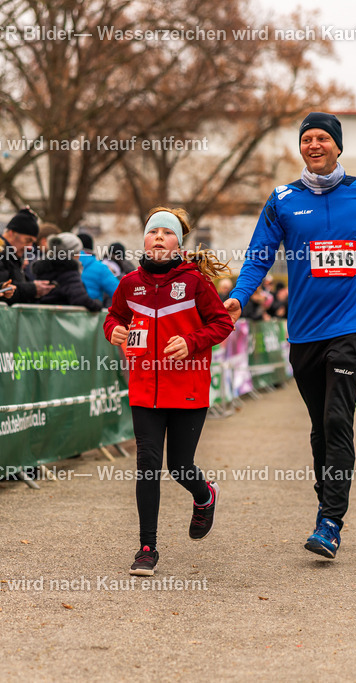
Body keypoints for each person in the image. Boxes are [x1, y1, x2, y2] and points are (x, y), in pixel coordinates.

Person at [223, 111, 356, 559]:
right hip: (304, 330)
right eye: (307, 139)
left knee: (338, 417)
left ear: (338, 146)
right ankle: (328, 500)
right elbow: (259, 255)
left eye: (323, 138)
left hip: (351, 324)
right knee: (320, 426)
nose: (314, 145)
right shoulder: (282, 199)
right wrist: (240, 298)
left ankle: (330, 522)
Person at [105, 207, 234, 576]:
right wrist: (112, 330)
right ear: (144, 241)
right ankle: (147, 547)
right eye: (152, 232)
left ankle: (204, 494)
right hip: (145, 388)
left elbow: (222, 323)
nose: (159, 237)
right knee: (147, 466)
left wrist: (192, 342)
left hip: (188, 389)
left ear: (179, 244)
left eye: (167, 232)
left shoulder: (194, 283)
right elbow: (114, 317)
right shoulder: (129, 283)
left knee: (179, 466)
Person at [0, 208, 54, 303]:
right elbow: (2, 289)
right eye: (27, 240)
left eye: (32, 242)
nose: (30, 247)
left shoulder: (15, 256)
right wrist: (32, 289)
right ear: (11, 233)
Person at [31, 234, 103, 311]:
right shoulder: (68, 272)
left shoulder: (42, 269)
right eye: (78, 252)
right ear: (72, 254)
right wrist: (97, 304)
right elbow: (80, 299)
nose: (80, 255)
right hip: (62, 319)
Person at [77, 232, 120, 305]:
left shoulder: (61, 263)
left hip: (60, 314)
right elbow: (119, 293)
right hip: (92, 312)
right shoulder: (100, 267)